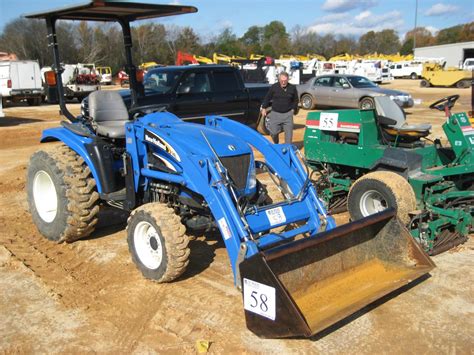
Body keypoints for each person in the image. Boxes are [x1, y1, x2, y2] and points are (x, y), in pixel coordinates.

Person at [260, 72, 299, 144]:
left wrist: (293, 109)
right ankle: (276, 143)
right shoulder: (274, 87)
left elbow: (296, 100)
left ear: (288, 79)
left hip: (288, 115)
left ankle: (288, 152)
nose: (283, 82)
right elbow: (267, 97)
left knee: (288, 138)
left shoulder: (292, 88)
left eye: (285, 81)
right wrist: (264, 107)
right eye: (282, 81)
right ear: (279, 80)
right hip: (275, 114)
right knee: (274, 132)